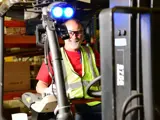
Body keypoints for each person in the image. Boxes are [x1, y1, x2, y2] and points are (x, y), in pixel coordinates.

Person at [36, 19, 101, 120]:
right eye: (71, 33)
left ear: (83, 34)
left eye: (78, 32)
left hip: (96, 103)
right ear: (64, 34)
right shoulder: (54, 56)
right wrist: (49, 91)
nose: (74, 37)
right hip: (69, 105)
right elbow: (40, 86)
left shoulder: (91, 52)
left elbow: (108, 73)